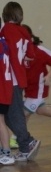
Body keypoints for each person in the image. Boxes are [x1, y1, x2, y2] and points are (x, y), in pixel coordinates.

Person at [0, 2, 40, 161]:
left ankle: (27, 143)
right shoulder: (24, 31)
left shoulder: (6, 30)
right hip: (20, 77)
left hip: (11, 78)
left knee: (12, 115)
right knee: (9, 115)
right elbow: (31, 55)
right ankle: (25, 143)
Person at [20, 26, 51, 132]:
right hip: (28, 87)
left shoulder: (39, 50)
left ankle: (17, 138)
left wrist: (49, 76)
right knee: (40, 110)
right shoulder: (19, 51)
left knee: (25, 112)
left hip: (39, 87)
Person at [0, 37, 16, 165]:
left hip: (1, 89)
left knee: (0, 121)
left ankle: (6, 152)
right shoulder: (4, 42)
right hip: (5, 88)